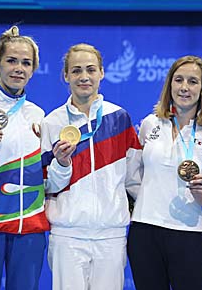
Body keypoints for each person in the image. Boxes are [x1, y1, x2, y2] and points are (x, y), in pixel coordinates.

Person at [0, 25, 75, 290]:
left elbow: (49, 181)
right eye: (11, 61)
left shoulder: (39, 116)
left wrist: (63, 164)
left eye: (26, 63)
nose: (18, 68)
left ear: (33, 70)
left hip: (28, 231)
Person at [40, 42, 141, 290]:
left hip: (111, 235)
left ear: (101, 73)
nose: (84, 77)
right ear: (65, 75)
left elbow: (134, 180)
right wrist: (62, 164)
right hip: (67, 235)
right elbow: (46, 184)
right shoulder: (52, 122)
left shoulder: (119, 118)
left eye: (90, 69)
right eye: (76, 70)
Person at [127, 54, 202, 290]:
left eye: (193, 81)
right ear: (170, 85)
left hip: (188, 235)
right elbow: (132, 177)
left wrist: (201, 192)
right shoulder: (149, 124)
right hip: (144, 232)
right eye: (178, 80)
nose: (184, 87)